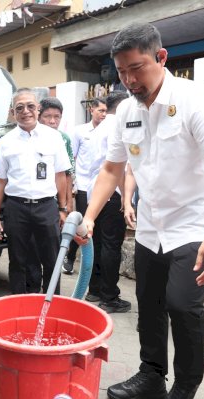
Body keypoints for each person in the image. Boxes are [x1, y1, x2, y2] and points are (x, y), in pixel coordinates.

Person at [79, 23, 204, 399]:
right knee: (149, 305)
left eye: (137, 68)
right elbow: (111, 169)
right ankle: (151, 375)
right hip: (151, 226)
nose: (130, 79)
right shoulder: (125, 114)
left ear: (161, 57)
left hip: (194, 226)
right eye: (121, 71)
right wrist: (89, 215)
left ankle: (184, 387)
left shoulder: (193, 99)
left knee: (182, 306)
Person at [0, 88, 70, 295]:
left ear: (38, 108)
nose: (26, 111)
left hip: (46, 206)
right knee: (18, 260)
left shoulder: (54, 137)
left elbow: (61, 175)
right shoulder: (4, 142)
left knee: (52, 259)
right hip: (16, 208)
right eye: (20, 107)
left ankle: (52, 303)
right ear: (13, 112)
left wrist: (63, 208)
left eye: (31, 106)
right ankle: (20, 303)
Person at [20, 96, 76, 293]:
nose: (52, 121)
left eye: (57, 117)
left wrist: (67, 207)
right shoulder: (24, 136)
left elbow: (67, 175)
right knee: (31, 253)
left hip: (53, 206)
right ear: (38, 115)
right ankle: (32, 294)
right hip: (29, 205)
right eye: (48, 116)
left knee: (52, 254)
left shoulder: (63, 139)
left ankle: (53, 296)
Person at [84, 91, 132, 314]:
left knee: (100, 244)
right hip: (112, 192)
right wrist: (126, 197)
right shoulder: (117, 127)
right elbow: (118, 167)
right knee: (111, 244)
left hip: (96, 190)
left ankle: (95, 289)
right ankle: (110, 296)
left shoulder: (99, 127)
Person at [63, 98, 108, 278]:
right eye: (101, 111)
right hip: (82, 186)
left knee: (97, 228)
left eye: (106, 111)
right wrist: (72, 184)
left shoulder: (110, 132)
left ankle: (93, 268)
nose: (104, 115)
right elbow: (71, 158)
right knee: (81, 225)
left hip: (102, 187)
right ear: (92, 110)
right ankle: (70, 256)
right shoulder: (80, 131)